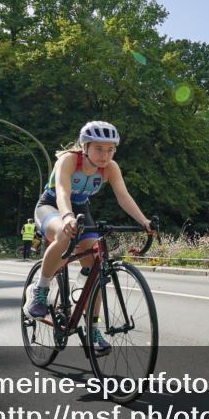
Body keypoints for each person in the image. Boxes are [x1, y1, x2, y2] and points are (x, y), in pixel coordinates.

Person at [23, 121, 153, 355]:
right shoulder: (70, 160)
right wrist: (67, 217)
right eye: (99, 149)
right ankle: (40, 289)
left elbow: (123, 196)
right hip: (52, 206)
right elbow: (63, 192)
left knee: (97, 265)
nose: (105, 155)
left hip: (82, 209)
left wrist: (144, 222)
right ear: (85, 147)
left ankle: (92, 327)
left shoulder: (111, 168)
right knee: (64, 234)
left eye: (110, 149)